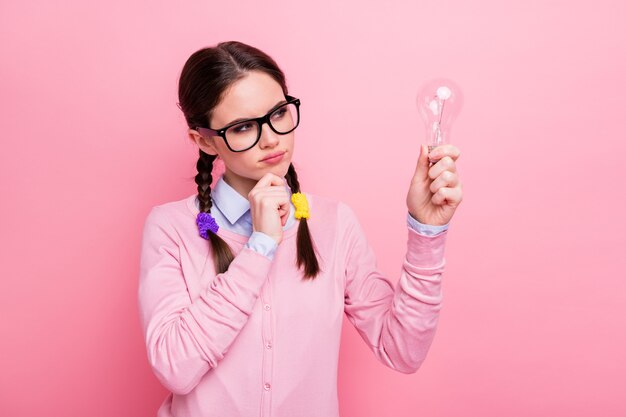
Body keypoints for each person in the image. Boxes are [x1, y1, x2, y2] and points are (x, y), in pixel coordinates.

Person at [138, 40, 463, 417]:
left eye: (278, 113)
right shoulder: (170, 228)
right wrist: (259, 246)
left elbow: (403, 350)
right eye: (243, 127)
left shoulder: (335, 223)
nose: (272, 138)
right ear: (203, 141)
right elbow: (175, 368)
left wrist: (427, 230)